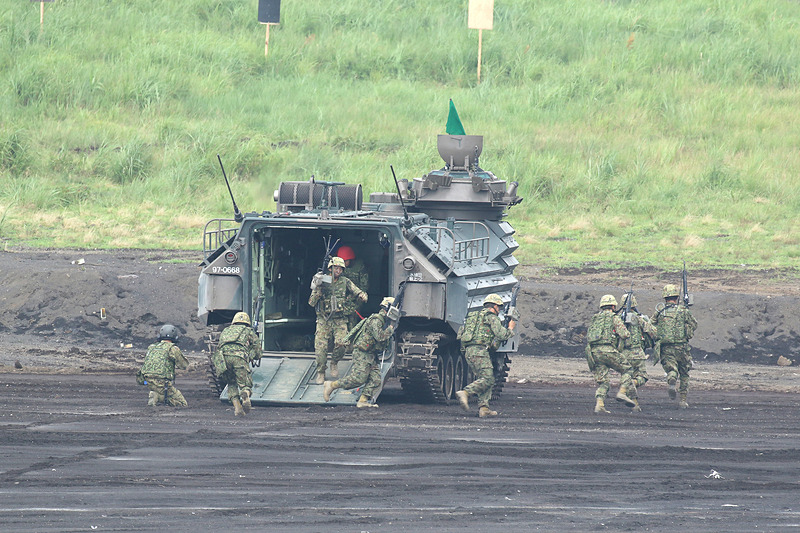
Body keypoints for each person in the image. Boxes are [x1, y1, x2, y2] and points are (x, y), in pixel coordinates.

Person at [322, 297, 397, 408]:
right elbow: (380, 337)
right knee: (358, 379)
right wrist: (390, 329)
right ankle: (332, 385)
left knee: (376, 380)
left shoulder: (383, 321)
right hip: (362, 353)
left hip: (371, 355)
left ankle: (363, 401)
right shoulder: (376, 320)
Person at [455, 294, 516, 418]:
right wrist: (510, 329)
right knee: (488, 379)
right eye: (498, 307)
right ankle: (466, 392)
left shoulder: (472, 316)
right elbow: (501, 334)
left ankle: (484, 408)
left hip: (469, 351)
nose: (499, 310)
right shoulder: (491, 317)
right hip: (480, 351)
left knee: (485, 378)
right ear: (494, 306)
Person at [309, 256, 367, 385]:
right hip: (324, 319)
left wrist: (362, 295)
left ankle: (334, 362)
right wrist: (318, 288)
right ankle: (321, 372)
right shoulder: (322, 280)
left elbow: (358, 291)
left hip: (340, 319)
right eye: (336, 268)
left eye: (341, 269)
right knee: (320, 349)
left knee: (343, 344)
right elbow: (311, 302)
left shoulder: (345, 281)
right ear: (330, 268)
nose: (338, 271)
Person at [585, 294, 636, 413]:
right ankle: (622, 392)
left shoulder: (595, 318)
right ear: (613, 306)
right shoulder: (614, 317)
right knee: (627, 370)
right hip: (608, 350)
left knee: (603, 382)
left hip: (594, 352)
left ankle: (600, 405)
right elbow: (624, 334)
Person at [652, 284, 698, 409]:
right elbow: (694, 324)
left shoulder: (660, 311)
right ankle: (683, 400)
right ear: (677, 297)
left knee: (671, 369)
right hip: (682, 347)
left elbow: (650, 326)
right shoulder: (683, 311)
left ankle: (672, 377)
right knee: (684, 373)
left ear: (665, 297)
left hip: (666, 348)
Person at [616, 292, 658, 412]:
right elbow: (653, 332)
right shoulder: (640, 319)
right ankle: (634, 384)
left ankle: (635, 404)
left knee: (627, 378)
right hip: (637, 353)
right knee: (642, 377)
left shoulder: (618, 319)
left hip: (623, 354)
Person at [217, 312, 261, 416]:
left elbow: (219, 345)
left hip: (223, 359)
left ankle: (237, 408)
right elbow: (257, 348)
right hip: (239, 358)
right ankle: (245, 394)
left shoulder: (226, 330)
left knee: (231, 383)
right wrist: (252, 356)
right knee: (245, 383)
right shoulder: (248, 331)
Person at [139, 324, 189, 407]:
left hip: (147, 381)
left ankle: (156, 395)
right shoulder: (173, 348)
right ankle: (157, 396)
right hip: (163, 383)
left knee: (161, 391)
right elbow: (183, 365)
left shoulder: (151, 347)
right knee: (182, 404)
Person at [337, 245, 369, 329]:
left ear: (351, 259)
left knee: (352, 323)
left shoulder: (360, 267)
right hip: (341, 298)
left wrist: (357, 297)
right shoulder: (338, 268)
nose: (343, 263)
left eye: (345, 261)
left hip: (356, 298)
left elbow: (364, 286)